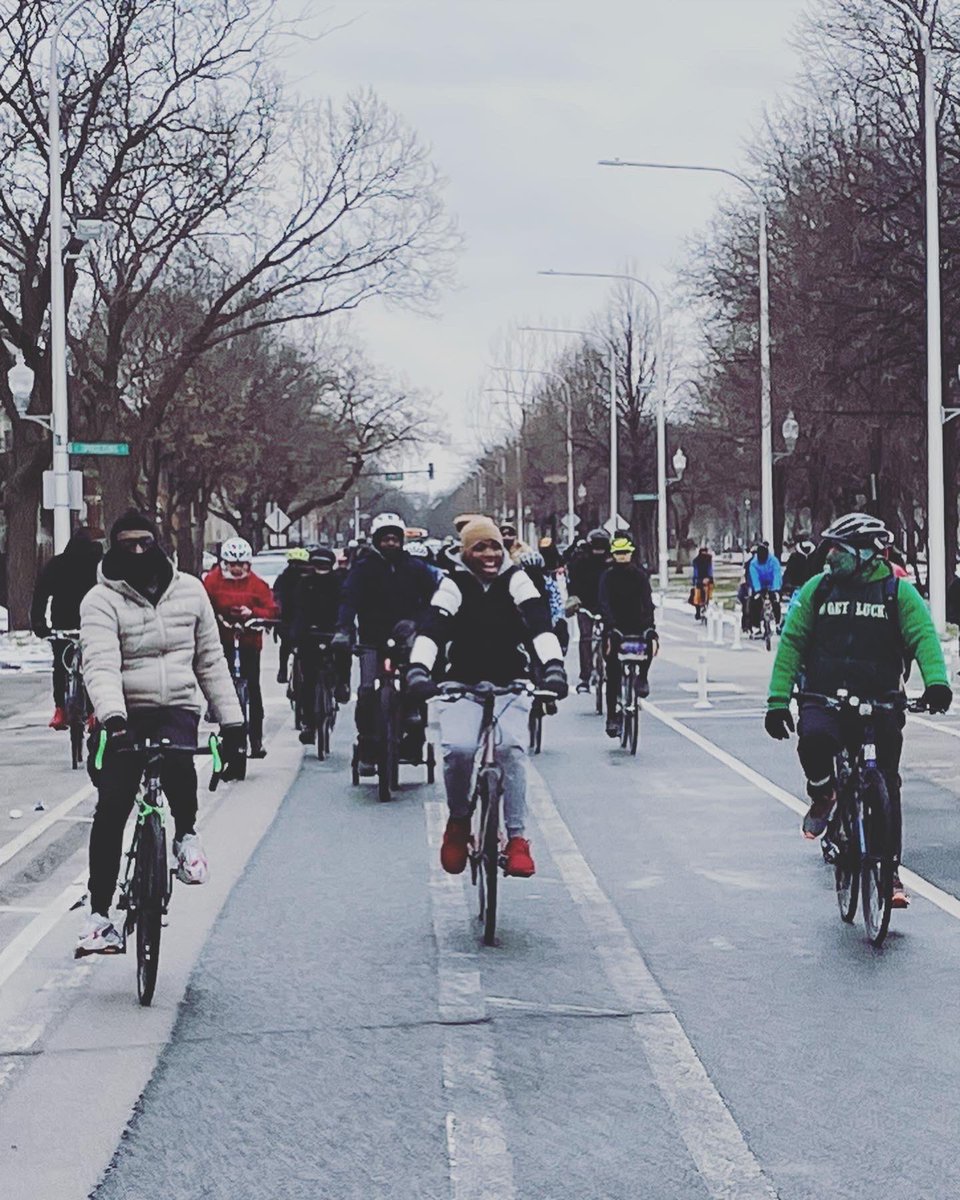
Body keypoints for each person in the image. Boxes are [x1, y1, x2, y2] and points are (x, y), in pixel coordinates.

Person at [76, 511, 246, 957]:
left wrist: (233, 723)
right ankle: (99, 917)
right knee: (112, 806)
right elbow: (100, 663)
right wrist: (112, 718)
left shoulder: (191, 592)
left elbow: (210, 661)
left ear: (159, 543)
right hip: (123, 710)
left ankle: (186, 836)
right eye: (127, 543)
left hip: (176, 706)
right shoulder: (99, 600)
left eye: (144, 542)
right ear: (113, 547)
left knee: (177, 762)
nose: (136, 552)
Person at [764, 512, 951, 908]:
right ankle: (824, 792)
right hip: (824, 697)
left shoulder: (897, 593)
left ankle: (890, 871)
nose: (829, 555)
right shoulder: (818, 590)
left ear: (865, 554)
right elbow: (792, 644)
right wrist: (778, 701)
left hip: (881, 700)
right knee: (812, 741)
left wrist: (936, 683)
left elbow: (924, 638)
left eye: (839, 548)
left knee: (887, 784)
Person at [405, 517, 568, 878]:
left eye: (495, 546)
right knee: (459, 750)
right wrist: (418, 669)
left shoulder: (516, 579)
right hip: (461, 683)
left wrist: (554, 666)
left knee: (511, 749)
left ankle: (517, 838)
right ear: (466, 552)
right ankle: (459, 823)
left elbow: (539, 622)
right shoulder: (455, 582)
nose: (490, 554)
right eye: (480, 547)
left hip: (511, 681)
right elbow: (433, 627)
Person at [334, 512, 437, 773]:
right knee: (367, 691)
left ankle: (413, 736)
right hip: (372, 639)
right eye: (385, 539)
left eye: (394, 539)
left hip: (406, 636)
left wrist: (418, 624)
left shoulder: (415, 568)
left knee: (415, 683)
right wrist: (344, 630)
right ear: (376, 541)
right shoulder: (364, 568)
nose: (390, 544)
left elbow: (432, 600)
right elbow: (349, 600)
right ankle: (368, 747)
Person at [202, 538, 278, 758]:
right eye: (231, 564)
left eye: (241, 564)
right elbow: (204, 604)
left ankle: (256, 739)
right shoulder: (213, 581)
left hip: (249, 641)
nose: (236, 569)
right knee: (219, 683)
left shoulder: (257, 584)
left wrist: (253, 614)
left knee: (252, 687)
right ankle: (223, 725)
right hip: (222, 639)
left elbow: (271, 609)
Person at [31, 527, 103, 729]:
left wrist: (39, 623)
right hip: (93, 623)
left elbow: (41, 593)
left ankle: (60, 709)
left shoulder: (57, 564)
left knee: (61, 666)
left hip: (62, 622)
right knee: (93, 668)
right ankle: (92, 713)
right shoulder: (97, 566)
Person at [598, 535, 658, 737]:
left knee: (650, 642)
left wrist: (650, 625)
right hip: (615, 628)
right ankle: (612, 717)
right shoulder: (607, 577)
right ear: (613, 555)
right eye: (618, 554)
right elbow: (604, 603)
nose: (622, 557)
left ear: (630, 554)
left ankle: (642, 677)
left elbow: (647, 602)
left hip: (637, 625)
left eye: (625, 553)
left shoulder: (640, 576)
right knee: (613, 671)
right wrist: (611, 626)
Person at [288, 546, 349, 743]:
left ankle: (342, 685)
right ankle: (308, 723)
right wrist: (295, 637)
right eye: (317, 565)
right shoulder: (304, 585)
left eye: (324, 565)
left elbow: (345, 608)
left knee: (342, 654)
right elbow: (298, 611)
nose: (321, 569)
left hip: (333, 630)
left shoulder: (339, 584)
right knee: (308, 679)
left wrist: (343, 630)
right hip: (309, 633)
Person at [566, 529, 612, 692]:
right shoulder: (581, 558)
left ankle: (611, 669)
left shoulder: (612, 559)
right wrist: (574, 599)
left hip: (608, 605)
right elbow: (570, 574)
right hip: (585, 603)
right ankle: (585, 677)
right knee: (586, 638)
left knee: (611, 636)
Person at [273, 547, 311, 684]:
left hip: (307, 620)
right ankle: (283, 669)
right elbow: (276, 598)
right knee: (286, 644)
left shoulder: (311, 579)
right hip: (288, 619)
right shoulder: (284, 579)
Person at [746, 542, 783, 632]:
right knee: (755, 602)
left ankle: (778, 623)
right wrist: (758, 591)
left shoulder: (774, 561)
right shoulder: (753, 563)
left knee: (775, 601)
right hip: (760, 584)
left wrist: (775, 590)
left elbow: (777, 575)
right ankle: (756, 626)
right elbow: (754, 577)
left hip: (772, 583)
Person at [690, 546, 714, 619]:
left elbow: (696, 571)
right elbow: (709, 570)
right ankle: (700, 610)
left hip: (702, 580)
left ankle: (700, 610)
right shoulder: (707, 559)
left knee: (700, 596)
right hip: (703, 580)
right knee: (699, 596)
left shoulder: (697, 560)